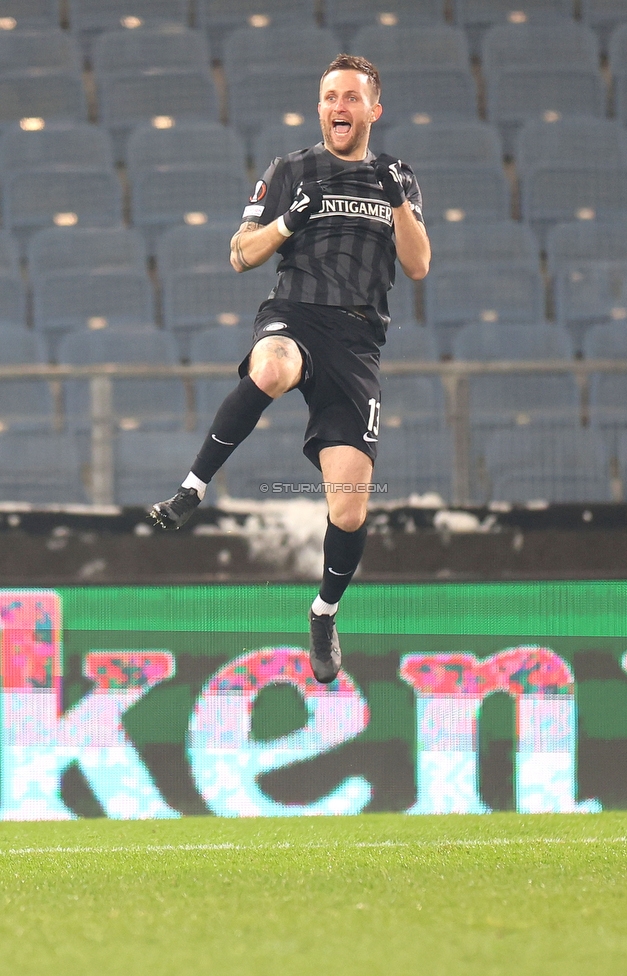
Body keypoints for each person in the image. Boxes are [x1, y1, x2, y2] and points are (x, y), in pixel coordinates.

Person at [150, 53, 430, 684]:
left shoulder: (397, 176)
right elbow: (240, 255)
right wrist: (287, 220)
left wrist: (401, 207)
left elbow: (418, 266)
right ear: (320, 105)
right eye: (332, 96)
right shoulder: (289, 171)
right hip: (295, 313)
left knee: (351, 508)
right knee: (271, 366)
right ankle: (192, 489)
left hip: (357, 339)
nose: (340, 106)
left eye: (353, 98)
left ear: (373, 110)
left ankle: (324, 612)